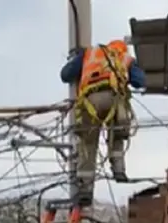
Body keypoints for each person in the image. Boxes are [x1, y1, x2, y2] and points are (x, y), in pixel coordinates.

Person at [60, 39, 146, 187]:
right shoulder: (126, 58)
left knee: (88, 143)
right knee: (117, 134)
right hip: (115, 99)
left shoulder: (89, 54)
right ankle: (119, 171)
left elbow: (65, 75)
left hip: (90, 100)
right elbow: (141, 81)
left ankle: (85, 188)